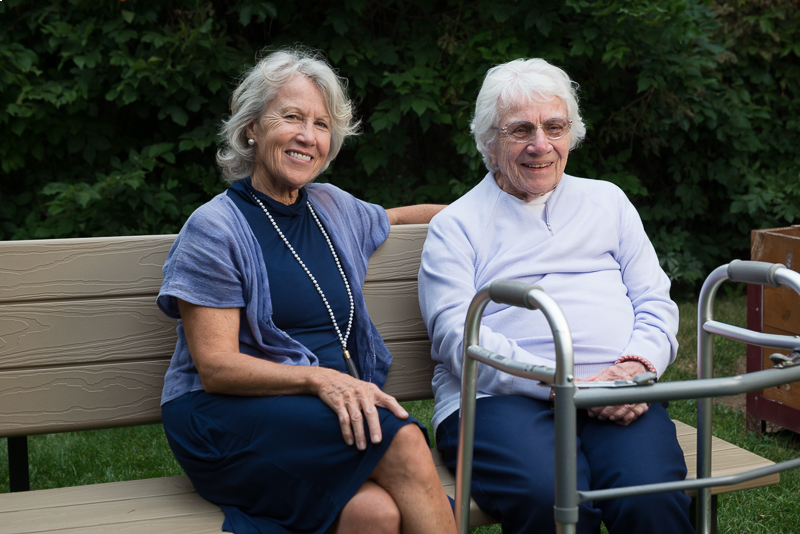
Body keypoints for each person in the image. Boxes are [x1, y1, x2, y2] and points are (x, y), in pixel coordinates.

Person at [157, 47, 456, 534]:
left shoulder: (332, 207)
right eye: (291, 117)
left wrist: (498, 214)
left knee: (373, 513)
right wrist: (320, 379)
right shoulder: (214, 229)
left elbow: (400, 217)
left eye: (320, 124)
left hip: (322, 412)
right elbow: (214, 367)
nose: (307, 136)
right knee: (403, 442)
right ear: (251, 126)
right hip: (223, 418)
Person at [418, 58, 694, 533]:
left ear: (572, 133)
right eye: (520, 129)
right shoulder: (457, 227)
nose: (540, 145)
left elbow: (656, 302)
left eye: (554, 127)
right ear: (489, 139)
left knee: (651, 493)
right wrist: (563, 385)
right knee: (550, 496)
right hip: (497, 401)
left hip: (616, 390)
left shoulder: (608, 201)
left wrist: (635, 368)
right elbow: (458, 336)